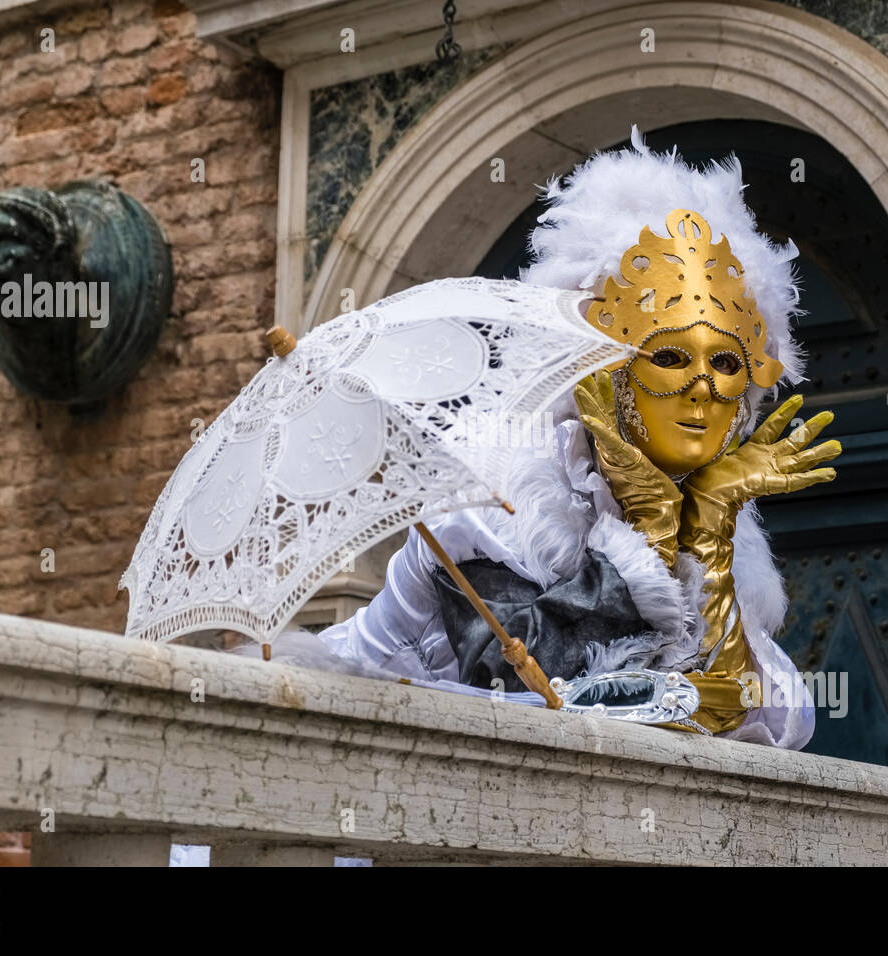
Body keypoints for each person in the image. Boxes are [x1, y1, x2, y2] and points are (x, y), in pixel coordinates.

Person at [314, 128, 840, 748]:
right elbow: (547, 694)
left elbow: (757, 715)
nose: (703, 386)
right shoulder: (499, 498)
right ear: (603, 370)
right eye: (670, 356)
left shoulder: (717, 517)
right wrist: (652, 534)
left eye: (726, 364)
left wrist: (706, 531)